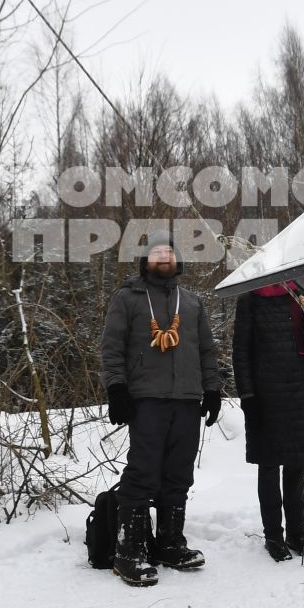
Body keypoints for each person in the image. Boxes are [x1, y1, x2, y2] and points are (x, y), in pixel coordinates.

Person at [100, 235, 222, 587]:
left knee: (179, 474)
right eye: (156, 255)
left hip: (186, 399)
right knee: (143, 472)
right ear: (144, 262)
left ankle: (170, 543)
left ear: (178, 262)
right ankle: (130, 551)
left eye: (169, 254)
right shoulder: (127, 298)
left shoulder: (192, 302)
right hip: (146, 399)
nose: (162, 259)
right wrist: (117, 388)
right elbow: (112, 348)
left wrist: (212, 389)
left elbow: (207, 351)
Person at [233, 280, 304, 561]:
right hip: (266, 395)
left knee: (296, 467)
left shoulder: (300, 295)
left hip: (301, 392)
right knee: (268, 467)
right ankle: (273, 537)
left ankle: (297, 535)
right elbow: (240, 353)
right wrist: (248, 396)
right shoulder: (250, 299)